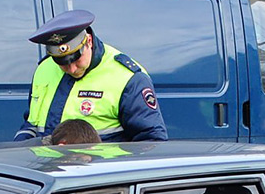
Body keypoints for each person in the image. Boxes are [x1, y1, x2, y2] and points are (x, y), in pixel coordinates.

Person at [15, 9, 168, 143]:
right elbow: (32, 124)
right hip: (49, 171)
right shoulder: (44, 69)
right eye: (62, 63)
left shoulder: (127, 77)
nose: (72, 68)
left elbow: (151, 142)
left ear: (88, 41)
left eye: (76, 59)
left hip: (99, 173)